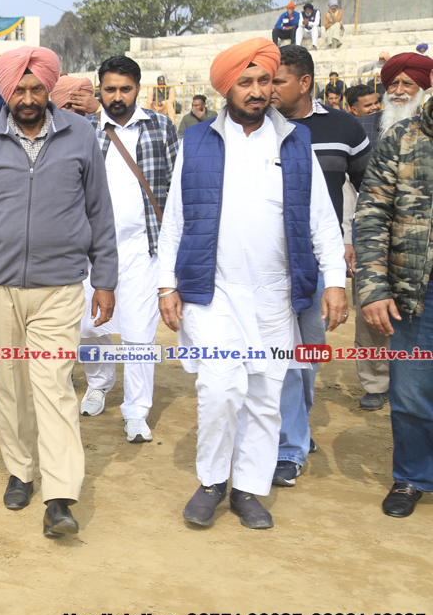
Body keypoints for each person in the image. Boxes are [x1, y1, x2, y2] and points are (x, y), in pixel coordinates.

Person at [158, 37, 347, 531]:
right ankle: (211, 482)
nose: (258, 90)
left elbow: (322, 218)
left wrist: (334, 280)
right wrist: (165, 285)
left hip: (275, 293)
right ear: (227, 88)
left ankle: (248, 488)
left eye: (264, 80)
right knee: (219, 389)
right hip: (212, 291)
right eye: (246, 82)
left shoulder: (295, 140)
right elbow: (175, 219)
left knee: (265, 394)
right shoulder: (196, 141)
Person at [0, 45, 118, 536]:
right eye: (19, 89)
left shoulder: (80, 135)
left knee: (54, 387)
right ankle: (21, 470)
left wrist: (105, 279)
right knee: (12, 385)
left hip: (60, 287)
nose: (29, 98)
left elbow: (100, 213)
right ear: (6, 90)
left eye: (38, 88)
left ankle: (60, 496)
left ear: (49, 88)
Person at [268, 44, 370, 488]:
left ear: (305, 83)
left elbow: (371, 191)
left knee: (306, 356)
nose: (269, 89)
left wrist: (348, 241)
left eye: (278, 80)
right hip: (269, 263)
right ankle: (289, 443)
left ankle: (296, 425)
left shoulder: (345, 127)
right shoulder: (256, 127)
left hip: (317, 261)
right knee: (282, 357)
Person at [79, 56, 178, 443]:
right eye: (110, 90)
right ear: (99, 90)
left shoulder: (161, 127)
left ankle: (136, 410)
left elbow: (176, 188)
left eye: (125, 89)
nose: (117, 97)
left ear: (138, 88)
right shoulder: (83, 130)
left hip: (143, 248)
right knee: (89, 326)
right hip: (92, 250)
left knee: (139, 334)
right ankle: (98, 383)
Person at [354, 64, 433, 519]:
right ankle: (412, 476)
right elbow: (371, 216)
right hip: (416, 293)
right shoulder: (403, 137)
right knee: (412, 392)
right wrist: (373, 287)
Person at [343, 54, 432, 411]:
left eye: (407, 84)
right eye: (392, 83)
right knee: (373, 315)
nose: (398, 91)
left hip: (419, 249)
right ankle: (375, 382)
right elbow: (355, 189)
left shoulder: (424, 127)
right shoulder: (364, 127)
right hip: (376, 240)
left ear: (423, 88)